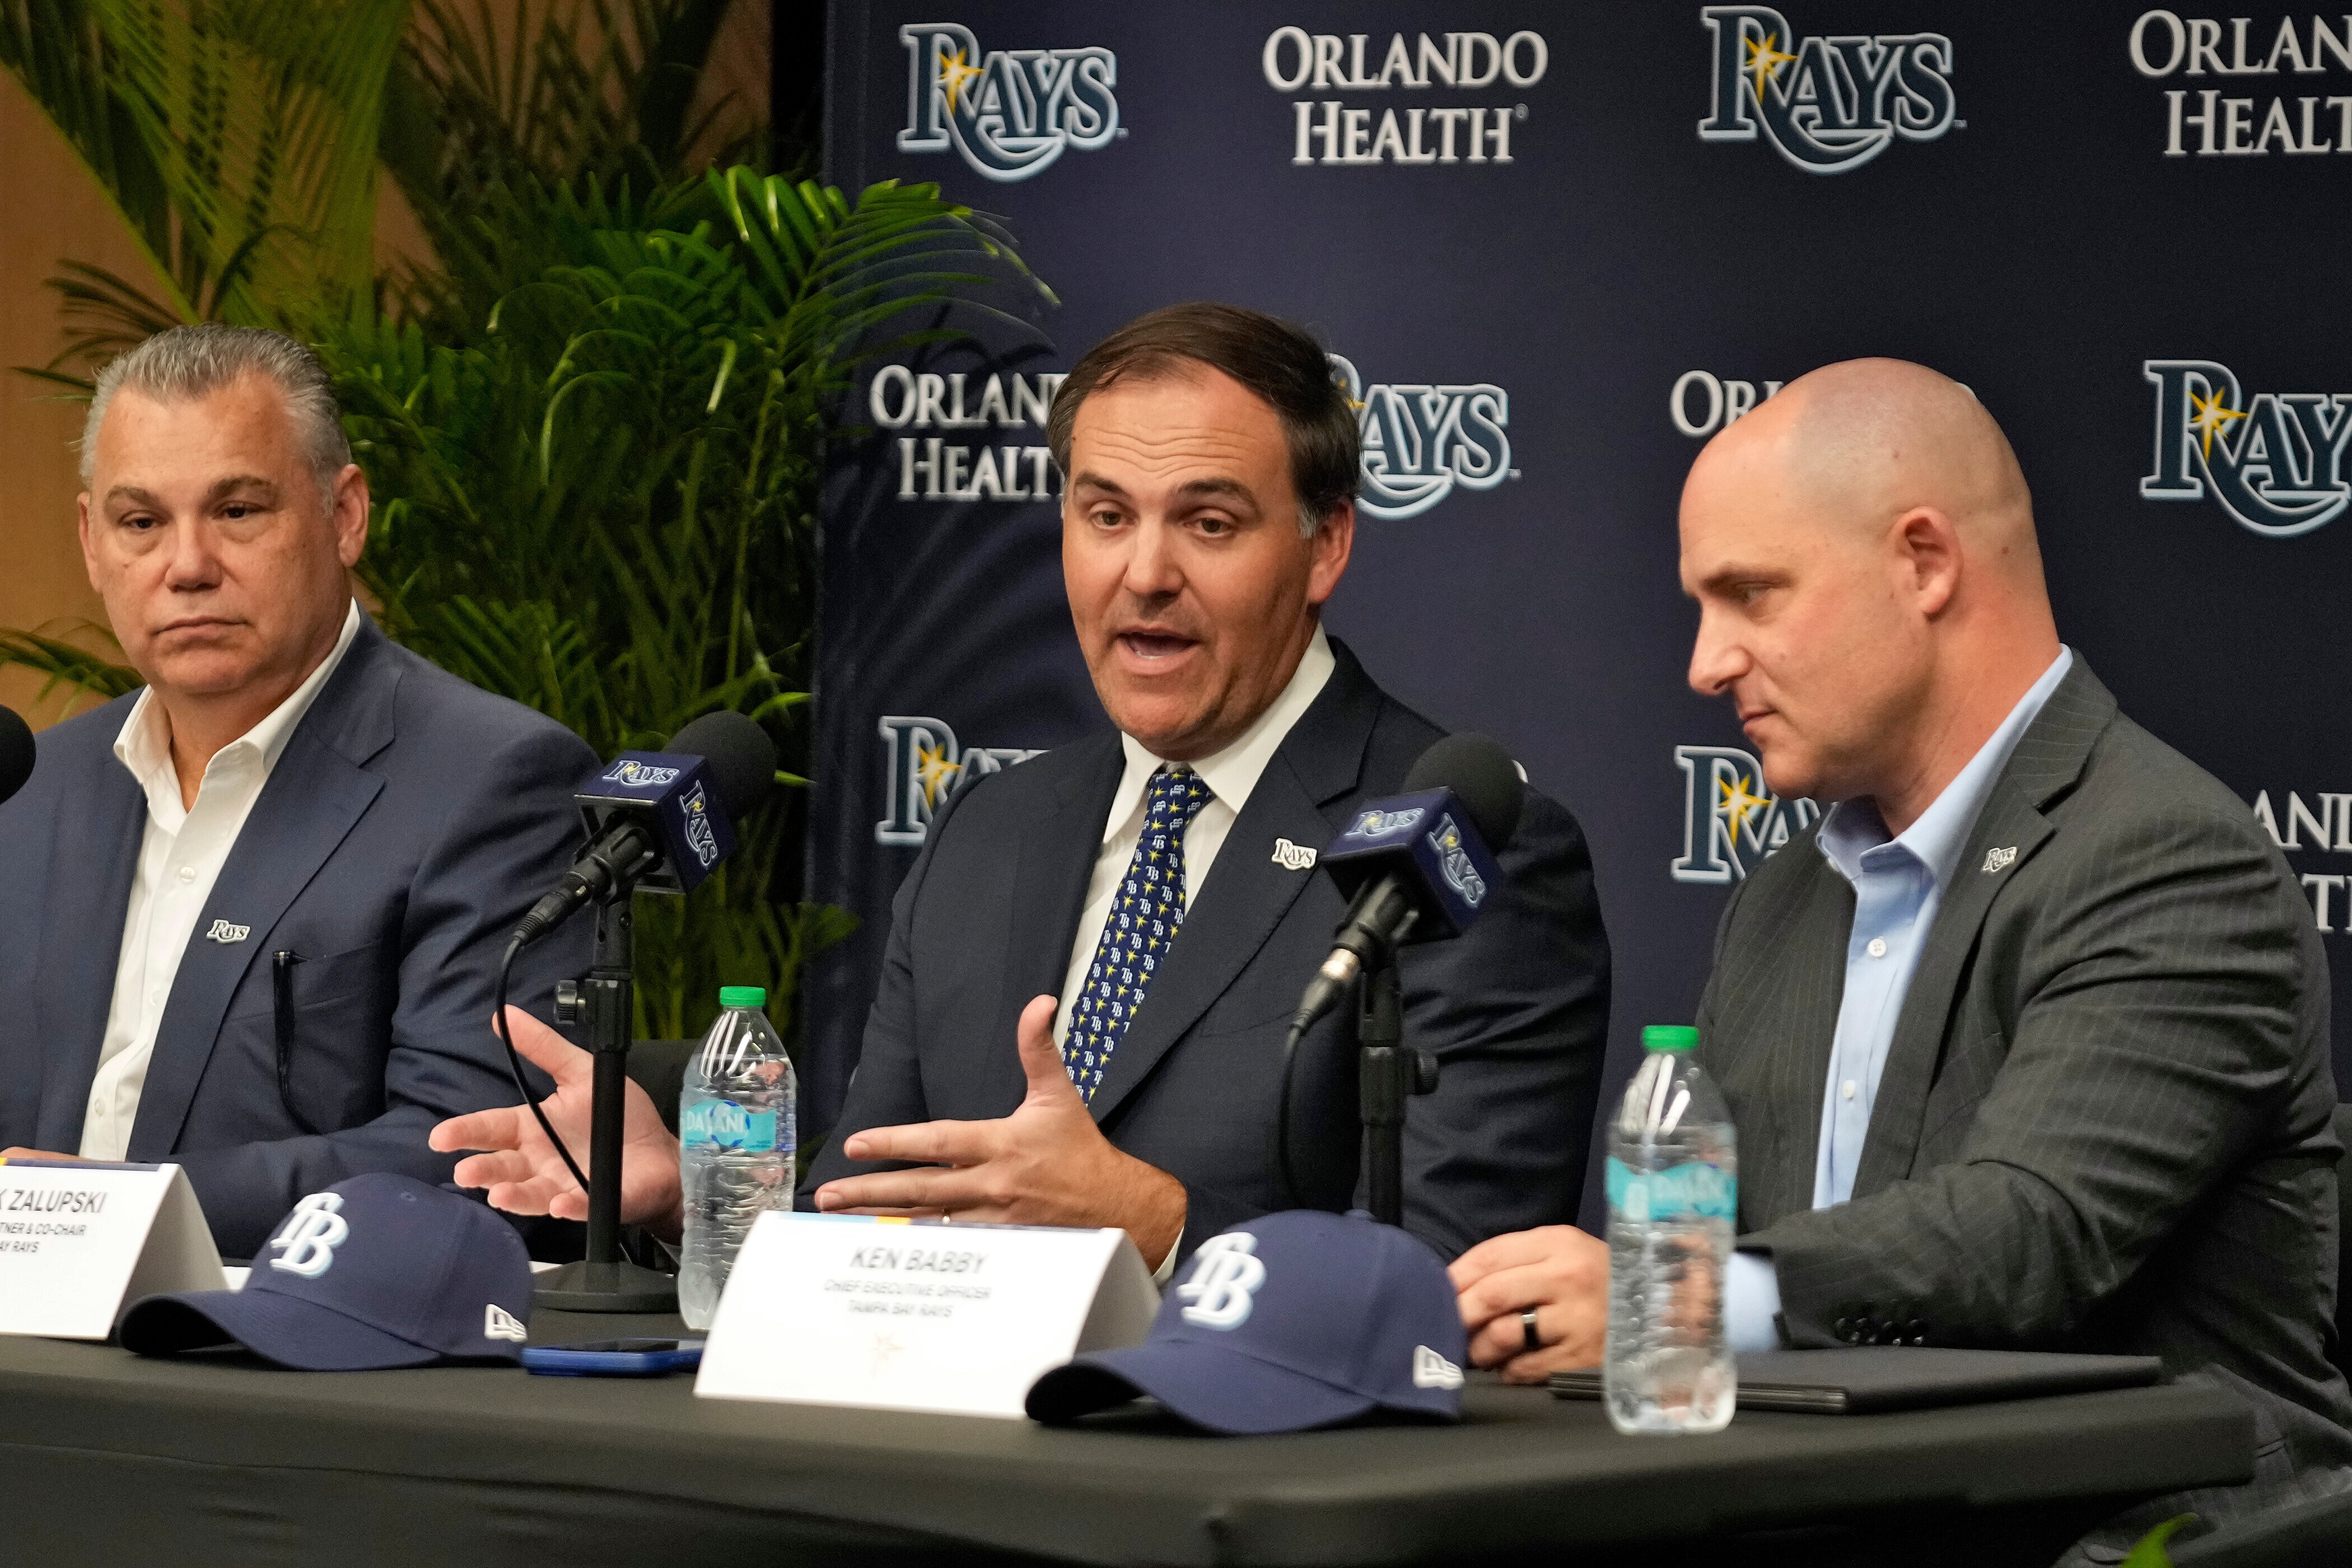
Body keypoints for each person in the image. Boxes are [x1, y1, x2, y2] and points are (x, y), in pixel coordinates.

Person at [435, 302, 1613, 1270]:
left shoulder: (1461, 850)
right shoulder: (994, 828)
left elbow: (1466, 1281)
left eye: (1208, 520)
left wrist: (1147, 1222)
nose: (1144, 573)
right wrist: (695, 1199)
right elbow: (868, 1210)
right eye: (1106, 515)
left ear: (1326, 546)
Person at [1450, 358, 2352, 1542]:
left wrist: (1674, 1295)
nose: (1705, 661)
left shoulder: (2166, 854)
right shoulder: (1780, 897)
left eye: (1751, 594)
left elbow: (2032, 1229)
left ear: (1924, 563)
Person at [0, 325, 596, 1259]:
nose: (186, 565)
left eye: (237, 510)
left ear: (345, 514)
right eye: (142, 522)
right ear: (90, 542)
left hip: (270, 1357)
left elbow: (478, 1151)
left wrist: (102, 1210)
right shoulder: (32, 787)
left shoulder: (493, 780)